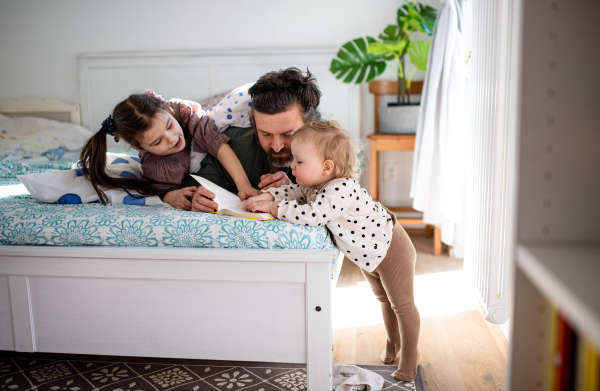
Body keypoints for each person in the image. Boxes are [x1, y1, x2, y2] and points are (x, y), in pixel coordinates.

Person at [244, 120, 420, 382]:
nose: (292, 166)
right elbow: (296, 192)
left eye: (299, 162)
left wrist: (275, 209)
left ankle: (410, 360)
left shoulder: (341, 188)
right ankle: (393, 345)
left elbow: (314, 214)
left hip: (391, 246)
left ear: (327, 167)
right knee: (385, 301)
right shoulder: (318, 184)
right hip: (369, 254)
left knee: (402, 305)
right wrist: (271, 196)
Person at [79, 90, 259, 209]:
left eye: (169, 126)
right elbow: (160, 192)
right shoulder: (157, 166)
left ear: (167, 109)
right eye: (158, 142)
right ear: (139, 148)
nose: (172, 139)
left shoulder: (186, 115)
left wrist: (243, 184)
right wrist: (169, 197)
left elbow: (219, 145)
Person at [186, 67, 322, 213]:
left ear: (311, 125)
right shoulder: (233, 146)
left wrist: (297, 191)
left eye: (288, 134)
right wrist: (197, 198)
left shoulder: (330, 148)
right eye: (265, 134)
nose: (276, 147)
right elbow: (188, 190)